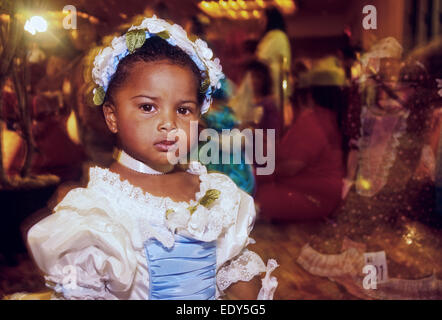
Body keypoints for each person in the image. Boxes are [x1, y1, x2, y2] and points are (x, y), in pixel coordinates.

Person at [23, 16, 277, 300]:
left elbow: (236, 275)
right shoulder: (98, 211)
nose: (168, 123)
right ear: (112, 116)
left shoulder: (215, 194)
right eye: (147, 107)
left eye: (183, 110)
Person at [255, 57, 346, 221]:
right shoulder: (330, 119)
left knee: (249, 196)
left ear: (308, 95)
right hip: (322, 197)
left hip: (310, 198)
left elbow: (291, 167)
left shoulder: (313, 120)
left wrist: (254, 174)